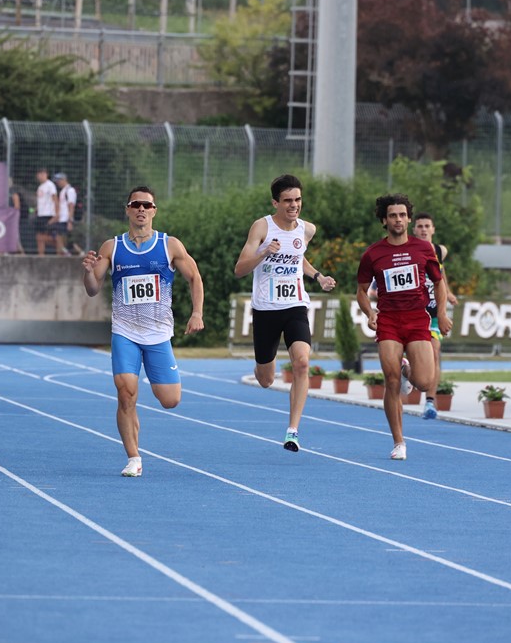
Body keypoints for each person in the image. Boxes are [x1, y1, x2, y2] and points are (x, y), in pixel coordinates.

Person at [81, 186, 204, 477]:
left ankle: (143, 399)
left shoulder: (169, 245)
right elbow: (93, 289)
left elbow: (195, 277)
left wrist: (197, 313)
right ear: (127, 209)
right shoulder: (112, 247)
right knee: (126, 393)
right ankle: (133, 457)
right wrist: (88, 272)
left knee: (170, 400)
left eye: (147, 205)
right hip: (125, 332)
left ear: (154, 211)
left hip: (158, 333)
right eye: (135, 204)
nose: (141, 209)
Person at [233, 174, 336, 453]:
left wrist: (318, 277)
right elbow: (240, 269)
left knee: (302, 363)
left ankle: (293, 430)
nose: (294, 205)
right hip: (266, 309)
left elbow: (298, 258)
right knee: (266, 380)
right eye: (288, 200)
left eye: (298, 200)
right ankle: (260, 366)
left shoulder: (307, 229)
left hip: (295, 306)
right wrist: (264, 252)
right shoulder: (262, 227)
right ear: (275, 203)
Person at [356, 194, 451, 460]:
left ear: (408, 219)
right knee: (391, 380)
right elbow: (361, 291)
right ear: (384, 221)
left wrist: (442, 314)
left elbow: (439, 283)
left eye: (402, 215)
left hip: (417, 320)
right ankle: (399, 442)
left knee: (424, 381)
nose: (398, 220)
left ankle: (408, 370)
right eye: (392, 216)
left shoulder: (424, 249)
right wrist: (370, 312)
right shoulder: (373, 253)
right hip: (388, 321)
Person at [412, 212, 458, 420]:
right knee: (413, 355)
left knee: (435, 352)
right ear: (414, 230)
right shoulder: (409, 249)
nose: (423, 229)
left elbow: (440, 273)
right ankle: (408, 374)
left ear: (433, 229)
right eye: (420, 226)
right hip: (413, 312)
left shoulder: (440, 251)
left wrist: (447, 293)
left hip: (433, 315)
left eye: (427, 226)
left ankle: (429, 402)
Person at [54, 172, 82, 256]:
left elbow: (71, 205)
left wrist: (70, 220)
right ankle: (70, 252)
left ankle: (69, 252)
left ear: (64, 180)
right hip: (62, 218)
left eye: (59, 180)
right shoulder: (63, 191)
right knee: (65, 239)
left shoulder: (70, 190)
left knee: (62, 237)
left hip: (66, 218)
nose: (58, 183)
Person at [33, 168, 59, 256]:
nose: (41, 176)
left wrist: (57, 213)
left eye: (43, 174)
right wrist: (36, 210)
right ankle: (41, 255)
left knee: (44, 237)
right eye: (39, 174)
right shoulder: (40, 187)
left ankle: (61, 246)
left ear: (46, 175)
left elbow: (55, 199)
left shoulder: (50, 185)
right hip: (40, 214)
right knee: (38, 236)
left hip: (48, 214)